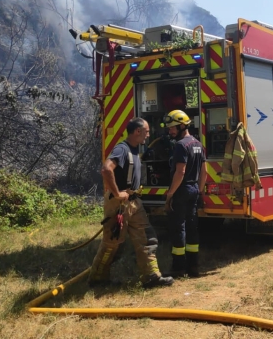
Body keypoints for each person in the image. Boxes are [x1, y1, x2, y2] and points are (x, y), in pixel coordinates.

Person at [88, 117, 174, 288]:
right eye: (147, 132)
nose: (148, 135)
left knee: (147, 238)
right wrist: (116, 193)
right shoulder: (122, 149)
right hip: (120, 204)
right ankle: (98, 278)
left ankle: (151, 277)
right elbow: (106, 169)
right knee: (112, 243)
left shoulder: (134, 150)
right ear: (137, 132)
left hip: (134, 203)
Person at [163, 109, 207, 278]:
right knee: (192, 227)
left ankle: (178, 268)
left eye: (173, 127)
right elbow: (204, 172)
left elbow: (180, 172)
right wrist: (200, 191)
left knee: (178, 228)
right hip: (194, 189)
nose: (170, 131)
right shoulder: (197, 144)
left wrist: (170, 194)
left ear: (182, 126)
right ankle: (193, 266)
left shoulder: (181, 145)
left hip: (181, 191)